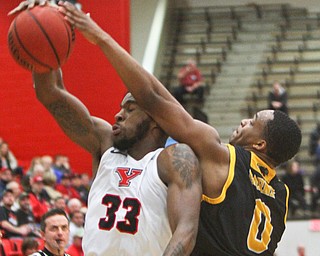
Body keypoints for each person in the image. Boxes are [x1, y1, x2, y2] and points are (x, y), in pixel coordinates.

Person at [46, 3, 302, 255]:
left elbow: (154, 98)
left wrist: (100, 37)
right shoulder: (282, 196)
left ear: (260, 145)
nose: (245, 121)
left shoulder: (223, 157)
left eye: (253, 121)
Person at [10, 2, 203, 256]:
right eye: (121, 109)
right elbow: (51, 94)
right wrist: (43, 26)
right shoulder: (105, 143)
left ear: (156, 119)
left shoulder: (174, 159)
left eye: (131, 109)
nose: (118, 115)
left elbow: (186, 230)